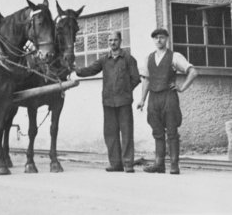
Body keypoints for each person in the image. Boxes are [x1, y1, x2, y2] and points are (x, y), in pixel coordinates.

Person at [74, 31, 140, 173]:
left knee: (127, 132)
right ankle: (115, 164)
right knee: (110, 133)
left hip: (124, 102)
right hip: (108, 102)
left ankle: (128, 164)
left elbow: (136, 78)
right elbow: (91, 70)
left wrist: (125, 91)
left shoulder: (129, 59)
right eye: (110, 40)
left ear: (120, 41)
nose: (112, 43)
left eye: (115, 40)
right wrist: (77, 70)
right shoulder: (104, 60)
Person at [137, 28, 198, 175]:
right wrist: (142, 100)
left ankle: (174, 165)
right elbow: (146, 80)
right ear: (153, 40)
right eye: (156, 38)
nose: (159, 40)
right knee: (157, 131)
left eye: (162, 37)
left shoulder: (174, 56)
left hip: (169, 97)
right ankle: (159, 164)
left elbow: (193, 72)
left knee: (172, 131)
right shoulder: (148, 58)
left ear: (166, 39)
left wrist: (182, 88)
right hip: (153, 98)